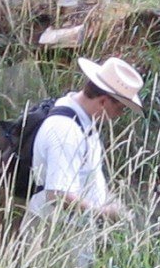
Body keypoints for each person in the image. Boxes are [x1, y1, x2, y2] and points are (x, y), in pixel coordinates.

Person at [26, 55, 143, 223]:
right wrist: (104, 213)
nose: (119, 115)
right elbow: (58, 194)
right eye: (120, 109)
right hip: (53, 231)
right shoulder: (66, 131)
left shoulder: (83, 121)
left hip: (68, 228)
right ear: (103, 102)